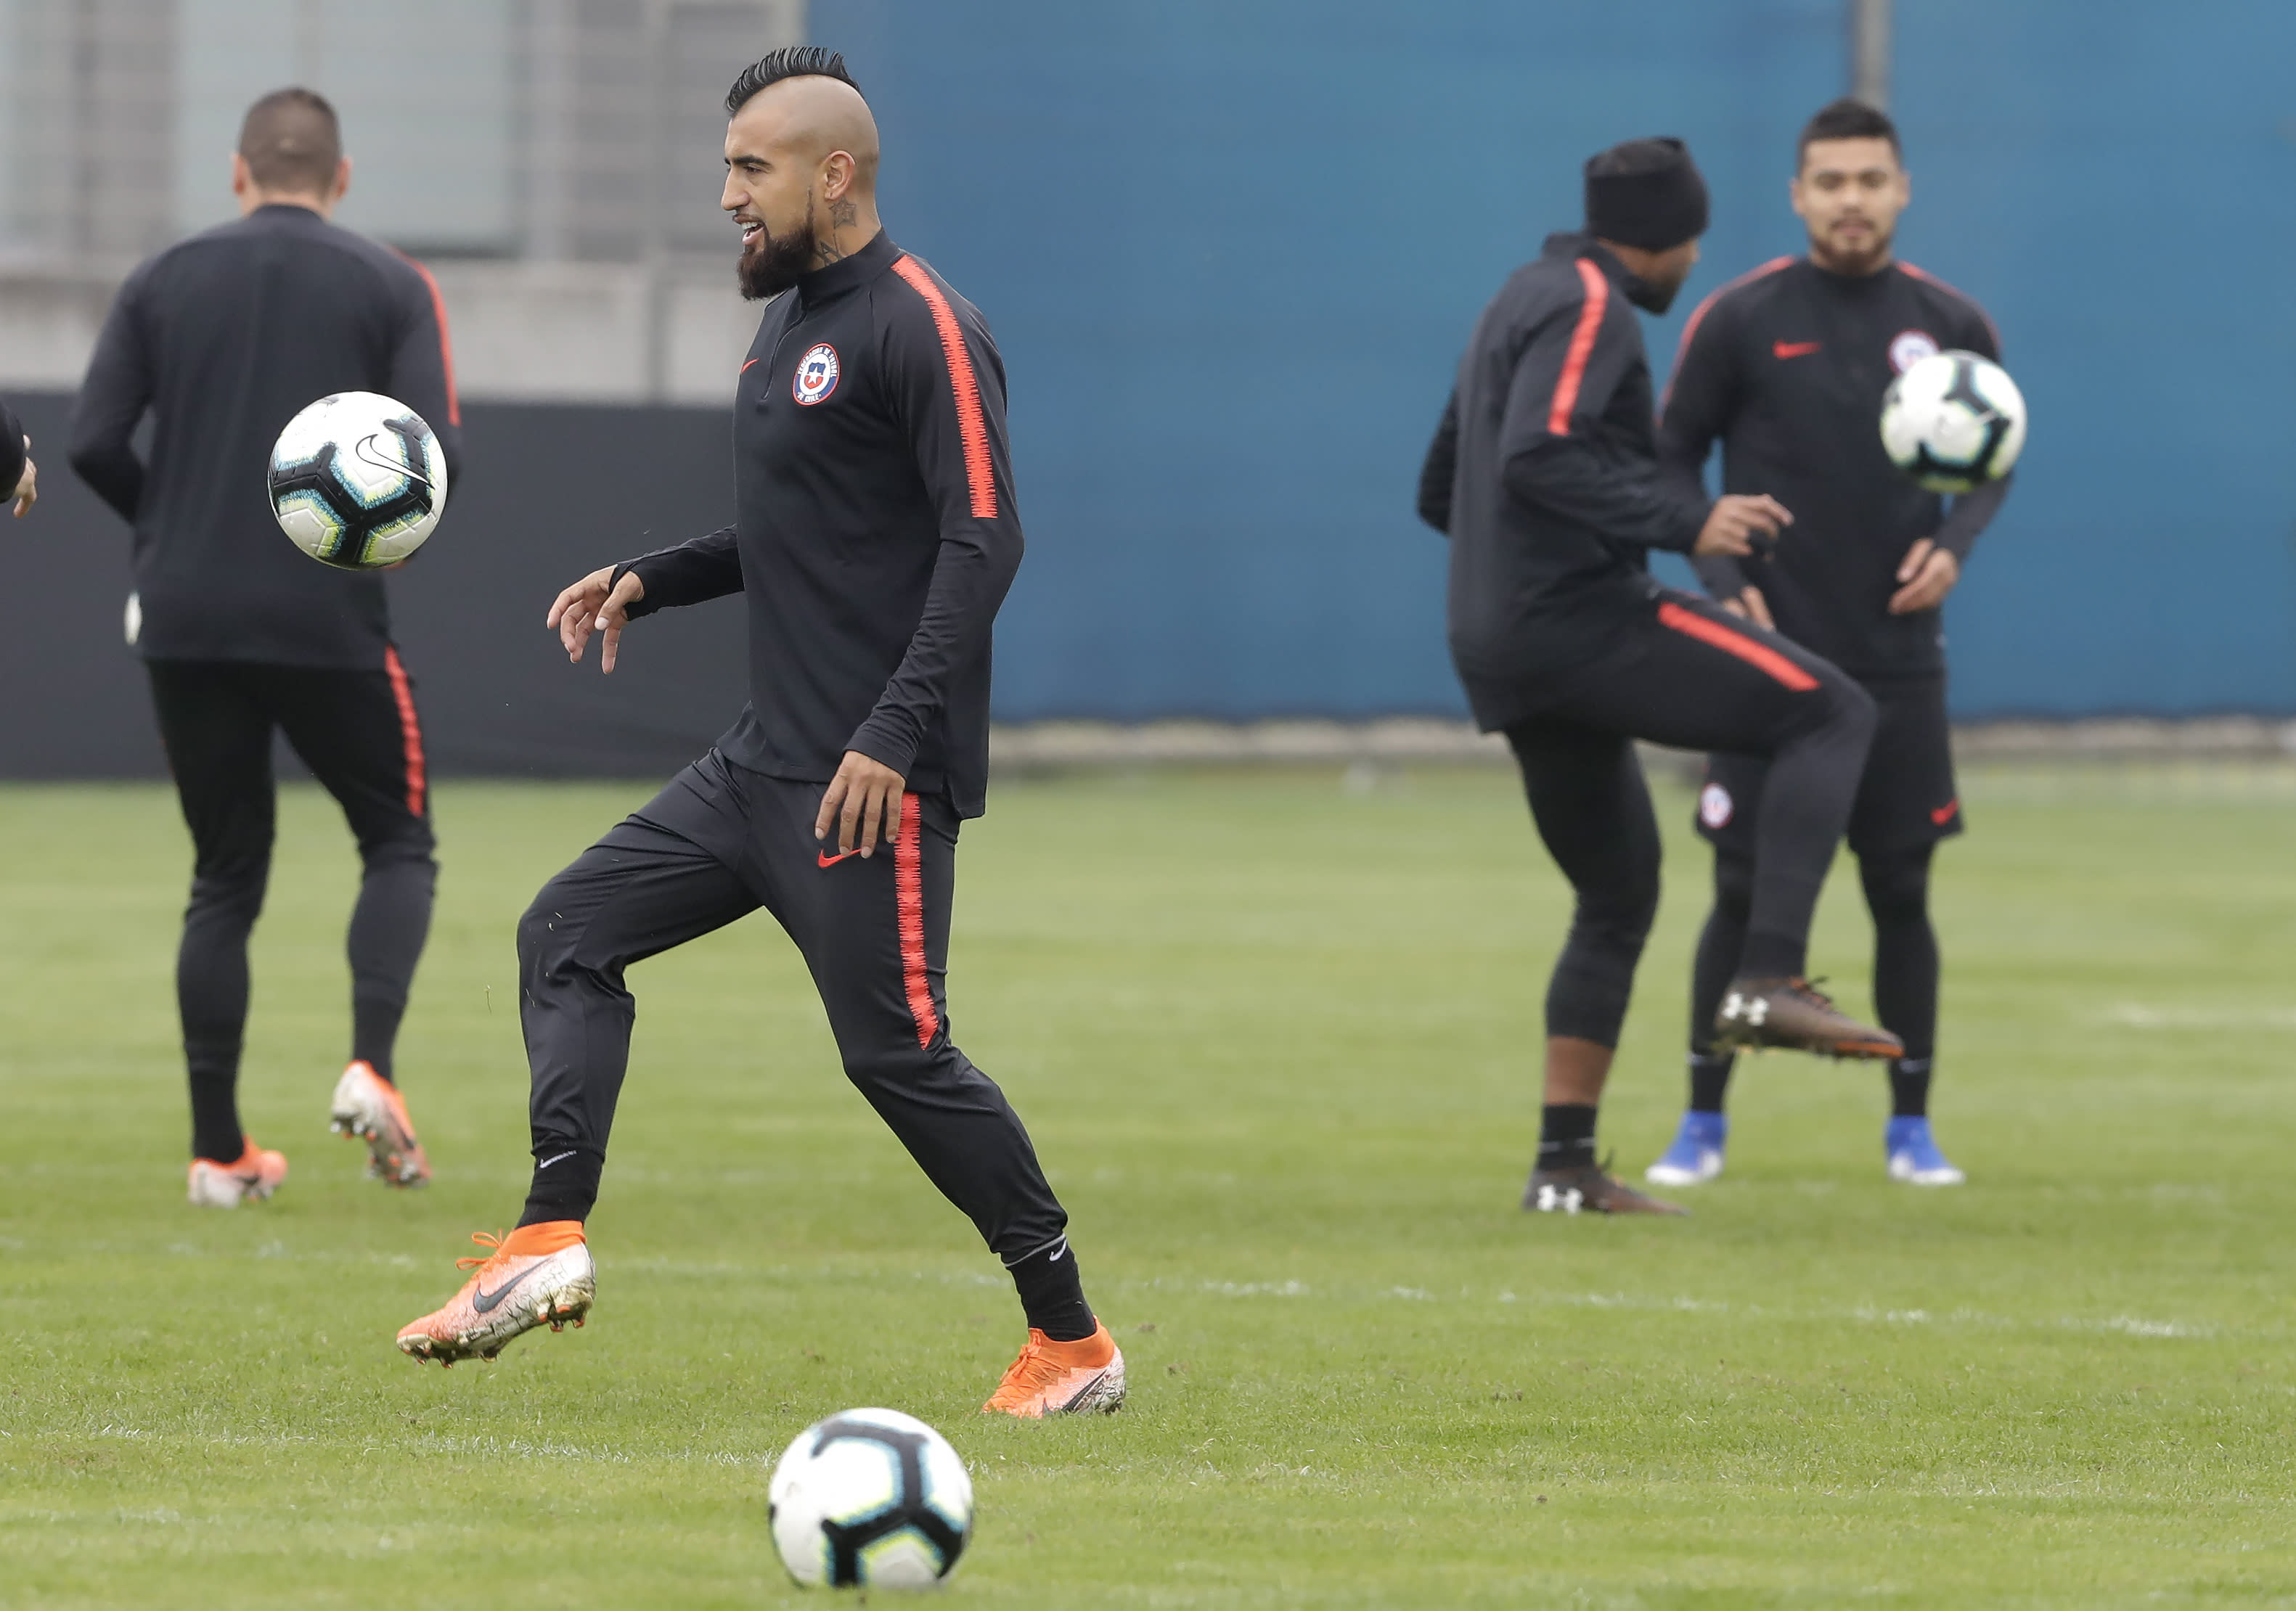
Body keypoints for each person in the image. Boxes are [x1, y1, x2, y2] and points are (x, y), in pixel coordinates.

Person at [393, 48, 1126, 1419]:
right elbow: (805, 531)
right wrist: (654, 576)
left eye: (751, 169)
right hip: (757, 766)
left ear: (832, 175)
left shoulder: (923, 322)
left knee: (898, 1056)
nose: (727, 193)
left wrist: (892, 739)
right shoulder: (787, 320)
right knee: (567, 930)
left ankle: (1073, 1343)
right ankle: (546, 1241)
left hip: (866, 785)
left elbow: (985, 537)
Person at [1417, 136, 1902, 1217]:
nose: (1693, 264)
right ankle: (1768, 978)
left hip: (1500, 639)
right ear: (1670, 234)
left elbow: (1445, 486)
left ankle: (1564, 1167)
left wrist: (1512, 581)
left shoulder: (1514, 298)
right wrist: (1691, 518)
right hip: (1574, 625)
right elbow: (1538, 455)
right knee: (1832, 709)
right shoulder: (1593, 300)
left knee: (1619, 890)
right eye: (1694, 240)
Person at [69, 88, 460, 1208]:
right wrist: (375, 546)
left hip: (185, 620)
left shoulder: (162, 277)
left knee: (225, 876)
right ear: (341, 180)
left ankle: (218, 1155)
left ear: (238, 175)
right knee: (395, 842)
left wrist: (168, 527)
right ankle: (368, 1065)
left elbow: (94, 440)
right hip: (326, 617)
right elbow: (434, 458)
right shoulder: (392, 282)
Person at [1646, 99, 2009, 1192]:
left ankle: (1913, 1128)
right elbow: (1671, 464)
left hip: (1900, 663)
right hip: (1767, 668)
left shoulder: (1951, 324)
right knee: (1741, 888)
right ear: (1800, 194)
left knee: (1901, 892)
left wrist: (1957, 544)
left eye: (1870, 179)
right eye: (1831, 181)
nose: (1852, 199)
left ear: (1902, 190)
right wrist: (1720, 579)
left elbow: (1995, 457)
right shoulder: (1741, 318)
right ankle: (1701, 1121)